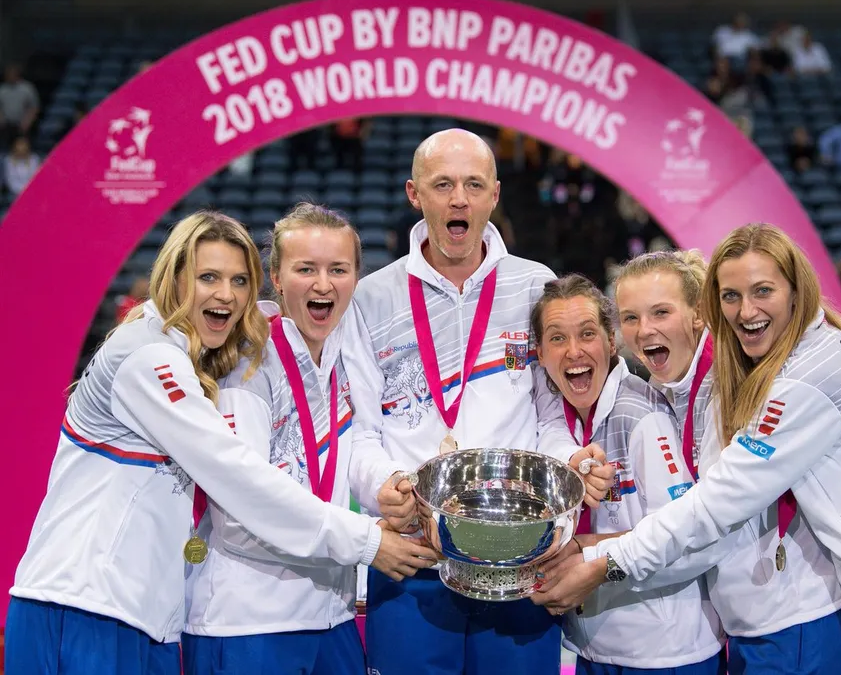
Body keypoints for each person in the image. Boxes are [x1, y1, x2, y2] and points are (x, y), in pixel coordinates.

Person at [4, 211, 430, 675]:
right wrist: (366, 541)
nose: (226, 294)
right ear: (175, 277)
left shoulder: (194, 357)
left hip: (144, 613)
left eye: (238, 281)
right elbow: (237, 478)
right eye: (208, 277)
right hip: (82, 602)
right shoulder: (150, 357)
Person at [544, 224, 841, 675]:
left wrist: (598, 561)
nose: (746, 311)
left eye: (763, 291)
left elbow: (714, 511)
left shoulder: (791, 382)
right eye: (732, 296)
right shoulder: (727, 375)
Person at [340, 128, 613, 675]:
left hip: (520, 559)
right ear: (415, 194)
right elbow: (360, 430)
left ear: (495, 194)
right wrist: (383, 484)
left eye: (473, 185)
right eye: (442, 185)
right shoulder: (371, 298)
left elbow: (549, 414)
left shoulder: (533, 285)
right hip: (415, 557)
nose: (459, 199)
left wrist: (570, 462)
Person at [182, 205, 439, 675]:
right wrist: (366, 541)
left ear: (356, 278)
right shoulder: (247, 365)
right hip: (248, 621)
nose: (323, 284)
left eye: (338, 270)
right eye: (306, 269)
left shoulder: (347, 356)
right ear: (276, 279)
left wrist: (385, 485)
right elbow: (242, 510)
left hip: (331, 615)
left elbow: (354, 446)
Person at [530, 274, 725, 675]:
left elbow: (688, 541)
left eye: (587, 334)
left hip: (664, 652)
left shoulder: (643, 417)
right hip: (596, 645)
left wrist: (586, 552)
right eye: (557, 338)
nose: (573, 351)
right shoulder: (560, 421)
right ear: (540, 354)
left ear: (610, 342)